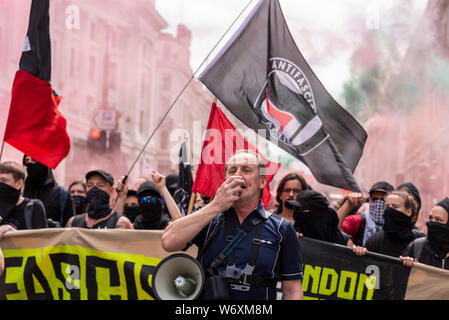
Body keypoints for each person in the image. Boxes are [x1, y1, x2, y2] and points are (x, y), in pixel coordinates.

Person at [161, 150, 303, 300]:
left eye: (246, 170)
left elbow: (292, 290)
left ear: (262, 181)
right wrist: (215, 205)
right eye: (232, 171)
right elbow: (168, 242)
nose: (238, 175)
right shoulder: (208, 216)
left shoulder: (282, 228)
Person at [354, 190, 424, 258]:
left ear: (408, 212)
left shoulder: (420, 241)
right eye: (387, 206)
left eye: (395, 206)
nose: (389, 210)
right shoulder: (375, 241)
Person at [66, 170, 133, 229]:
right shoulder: (73, 222)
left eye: (100, 185)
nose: (94, 189)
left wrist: (121, 197)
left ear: (111, 190)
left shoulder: (121, 223)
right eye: (90, 185)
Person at [23, 155, 75, 227]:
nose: (29, 163)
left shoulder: (61, 195)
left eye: (34, 160)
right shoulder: (19, 192)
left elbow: (69, 226)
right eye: (26, 160)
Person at [286, 189, 351, 246]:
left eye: (300, 209)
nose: (297, 212)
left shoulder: (341, 240)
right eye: (295, 208)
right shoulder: (295, 233)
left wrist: (357, 251)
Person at [401, 198, 449, 270]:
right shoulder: (417, 247)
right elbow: (399, 277)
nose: (432, 223)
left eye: (438, 220)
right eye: (430, 218)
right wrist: (407, 265)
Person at [341, 181, 394, 246]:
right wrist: (348, 205)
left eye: (383, 200)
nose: (379, 203)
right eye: (375, 199)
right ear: (370, 200)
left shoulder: (398, 226)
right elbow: (335, 229)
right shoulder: (356, 221)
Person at [0, 161, 47, 230]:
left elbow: (41, 238)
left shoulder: (33, 206)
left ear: (19, 183)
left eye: (4, 180)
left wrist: (12, 232)